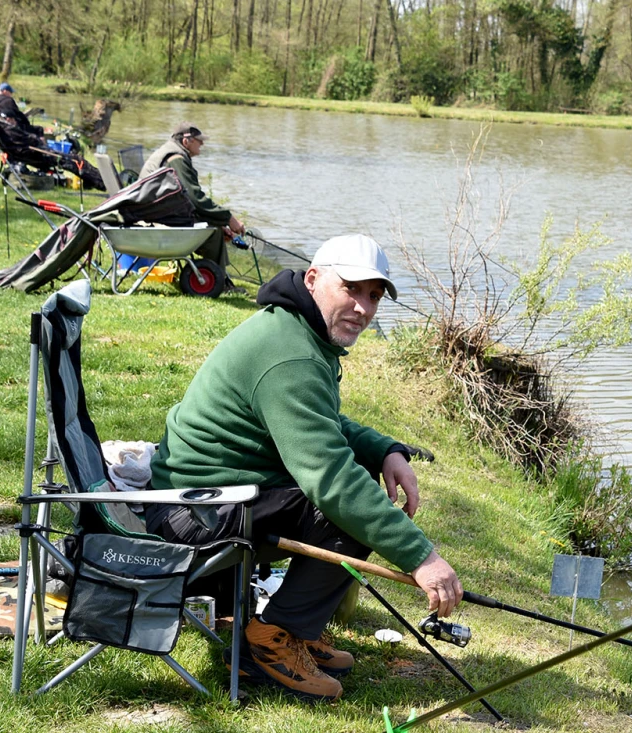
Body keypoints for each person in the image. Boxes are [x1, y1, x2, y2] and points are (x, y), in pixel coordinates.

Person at [145, 234, 463, 701]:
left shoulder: (297, 330)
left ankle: (293, 628)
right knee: (350, 509)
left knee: (358, 488)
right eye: (351, 289)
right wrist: (423, 558)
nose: (363, 307)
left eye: (374, 296)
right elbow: (331, 479)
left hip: (209, 496)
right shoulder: (291, 352)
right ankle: (271, 641)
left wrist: (384, 449)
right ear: (313, 279)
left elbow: (321, 421)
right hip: (192, 516)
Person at [139, 122, 245, 283]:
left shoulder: (173, 154)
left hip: (155, 214)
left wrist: (218, 219)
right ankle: (215, 282)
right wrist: (228, 218)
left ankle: (219, 279)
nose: (202, 143)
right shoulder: (176, 159)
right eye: (199, 140)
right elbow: (195, 199)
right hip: (154, 220)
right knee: (214, 232)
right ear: (186, 141)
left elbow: (185, 200)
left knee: (215, 227)